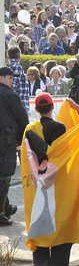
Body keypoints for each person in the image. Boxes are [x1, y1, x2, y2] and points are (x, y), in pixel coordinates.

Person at [26, 93, 75, 266]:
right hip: (57, 186)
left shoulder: (29, 129)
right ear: (52, 107)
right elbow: (62, 156)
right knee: (61, 230)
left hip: (37, 186)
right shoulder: (59, 128)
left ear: (36, 110)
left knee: (40, 228)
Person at [0, 66, 29, 226]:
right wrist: (21, 139)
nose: (12, 81)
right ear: (1, 78)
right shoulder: (10, 95)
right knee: (4, 176)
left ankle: (6, 206)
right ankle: (1, 212)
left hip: (5, 138)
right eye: (9, 78)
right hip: (5, 141)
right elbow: (23, 118)